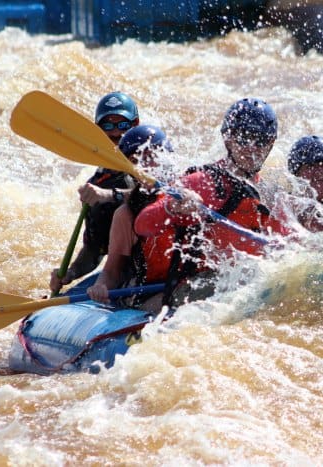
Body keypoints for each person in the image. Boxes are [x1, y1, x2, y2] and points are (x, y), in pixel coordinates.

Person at [131, 97, 291, 310]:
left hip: (248, 288)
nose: (252, 148)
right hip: (196, 287)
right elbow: (143, 224)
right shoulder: (202, 182)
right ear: (228, 140)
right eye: (243, 139)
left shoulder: (272, 195)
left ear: (271, 145)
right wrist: (173, 207)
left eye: (260, 140)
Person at [50, 91, 141, 294]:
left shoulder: (154, 159)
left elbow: (157, 194)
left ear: (136, 124)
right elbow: (94, 251)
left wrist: (110, 195)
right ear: (98, 131)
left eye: (123, 125)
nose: (116, 133)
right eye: (108, 126)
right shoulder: (97, 184)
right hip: (128, 270)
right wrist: (71, 273)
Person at [86, 124, 177, 310]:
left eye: (152, 156)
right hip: (145, 291)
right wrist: (100, 286)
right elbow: (112, 271)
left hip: (182, 284)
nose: (145, 166)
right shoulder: (126, 215)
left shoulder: (188, 199)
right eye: (135, 160)